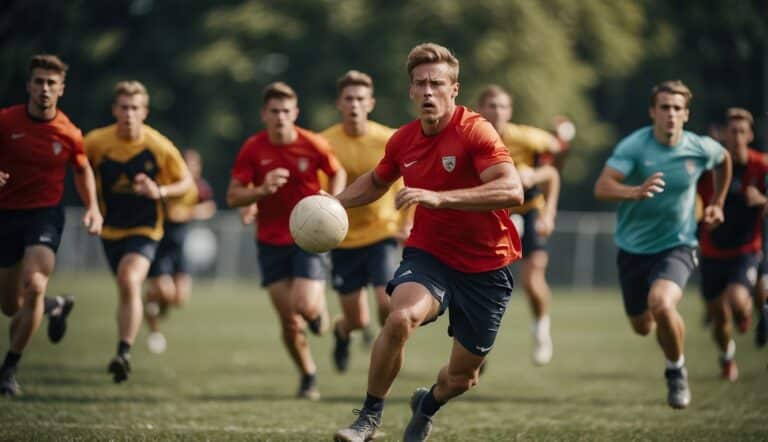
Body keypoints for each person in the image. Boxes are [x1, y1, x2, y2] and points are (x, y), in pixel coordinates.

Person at [334, 43, 524, 442]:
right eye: (419, 84)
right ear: (410, 91)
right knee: (400, 317)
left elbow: (512, 190)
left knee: (461, 377)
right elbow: (375, 181)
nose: (427, 92)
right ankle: (368, 417)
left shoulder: (475, 130)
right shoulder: (403, 141)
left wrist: (442, 197)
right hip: (430, 253)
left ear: (454, 90)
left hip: (487, 266)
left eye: (436, 83)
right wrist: (332, 204)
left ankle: (428, 403)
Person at [594, 80, 731, 409]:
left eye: (677, 108)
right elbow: (602, 186)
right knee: (643, 326)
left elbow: (724, 159)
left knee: (662, 303)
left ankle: (676, 371)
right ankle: (666, 331)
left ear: (686, 114)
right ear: (653, 112)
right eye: (665, 107)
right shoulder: (635, 147)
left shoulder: (699, 147)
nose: (671, 114)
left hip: (678, 244)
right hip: (632, 249)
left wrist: (718, 202)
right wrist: (634, 191)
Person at [226, 82, 346, 400]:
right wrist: (260, 192)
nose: (280, 117)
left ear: (296, 113)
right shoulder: (253, 148)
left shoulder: (313, 144)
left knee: (303, 306)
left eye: (286, 111)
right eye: (274, 111)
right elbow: (233, 195)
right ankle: (308, 375)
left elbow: (337, 172)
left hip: (309, 236)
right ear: (264, 114)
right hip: (270, 239)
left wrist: (330, 201)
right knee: (290, 322)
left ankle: (320, 319)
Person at [0, 54, 103, 396]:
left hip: (45, 214)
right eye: (39, 81)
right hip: (6, 214)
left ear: (61, 89)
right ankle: (56, 307)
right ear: (28, 85)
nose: (44, 89)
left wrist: (92, 208)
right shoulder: (6, 121)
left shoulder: (69, 132)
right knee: (10, 305)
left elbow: (82, 168)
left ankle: (8, 370)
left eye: (51, 83)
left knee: (34, 285)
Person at [85, 80, 192, 383]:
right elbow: (80, 170)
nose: (129, 114)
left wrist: (159, 190)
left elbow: (185, 183)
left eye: (135, 108)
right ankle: (129, 341)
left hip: (146, 229)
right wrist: (91, 205)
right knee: (126, 286)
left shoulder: (158, 145)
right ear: (114, 110)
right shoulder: (96, 142)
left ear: (144, 111)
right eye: (124, 107)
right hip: (109, 230)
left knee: (128, 278)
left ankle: (123, 352)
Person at [320, 70, 412, 373]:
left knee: (387, 301)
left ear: (370, 102)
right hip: (342, 238)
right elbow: (316, 191)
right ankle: (342, 333)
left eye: (361, 98)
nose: (355, 104)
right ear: (339, 104)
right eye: (349, 99)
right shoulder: (324, 142)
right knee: (357, 320)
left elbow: (409, 181)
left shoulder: (389, 138)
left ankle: (387, 351)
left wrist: (406, 222)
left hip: (381, 232)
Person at [477, 85, 561, 365]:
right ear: (481, 110)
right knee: (482, 285)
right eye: (491, 105)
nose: (497, 111)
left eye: (502, 106)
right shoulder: (472, 140)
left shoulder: (527, 138)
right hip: (491, 216)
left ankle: (541, 329)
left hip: (529, 211)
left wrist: (547, 212)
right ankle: (476, 343)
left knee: (532, 278)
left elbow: (552, 167)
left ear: (510, 111)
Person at [697, 108, 766, 380]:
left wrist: (761, 200)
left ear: (750, 135)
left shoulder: (761, 166)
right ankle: (727, 358)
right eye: (732, 131)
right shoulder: (710, 168)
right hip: (712, 250)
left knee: (737, 300)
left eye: (741, 131)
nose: (736, 136)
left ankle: (749, 311)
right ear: (724, 134)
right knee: (718, 318)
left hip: (746, 250)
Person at [144, 149, 217, 354]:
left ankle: (153, 301)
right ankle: (155, 331)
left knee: (180, 299)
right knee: (165, 292)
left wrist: (188, 212)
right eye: (187, 164)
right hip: (160, 245)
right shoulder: (167, 183)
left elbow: (209, 206)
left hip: (180, 246)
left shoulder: (199, 187)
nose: (191, 169)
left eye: (195, 165)